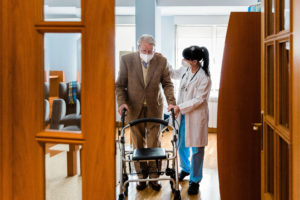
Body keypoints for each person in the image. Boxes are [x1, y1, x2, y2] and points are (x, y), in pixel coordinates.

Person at [115, 34, 176, 191]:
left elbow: (167, 83)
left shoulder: (161, 61)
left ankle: (154, 177)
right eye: (144, 50)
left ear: (154, 49)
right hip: (133, 108)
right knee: (137, 142)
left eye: (150, 51)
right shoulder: (126, 60)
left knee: (154, 141)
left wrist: (171, 102)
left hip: (154, 107)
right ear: (138, 48)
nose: (147, 54)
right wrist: (122, 103)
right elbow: (120, 85)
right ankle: (141, 176)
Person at [168, 46, 211, 195]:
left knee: (197, 149)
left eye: (185, 58)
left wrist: (179, 107)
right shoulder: (186, 69)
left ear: (194, 61)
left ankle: (195, 180)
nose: (183, 60)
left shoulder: (204, 77)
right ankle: (185, 169)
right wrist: (163, 60)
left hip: (196, 116)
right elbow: (173, 74)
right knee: (181, 144)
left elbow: (199, 99)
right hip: (183, 115)